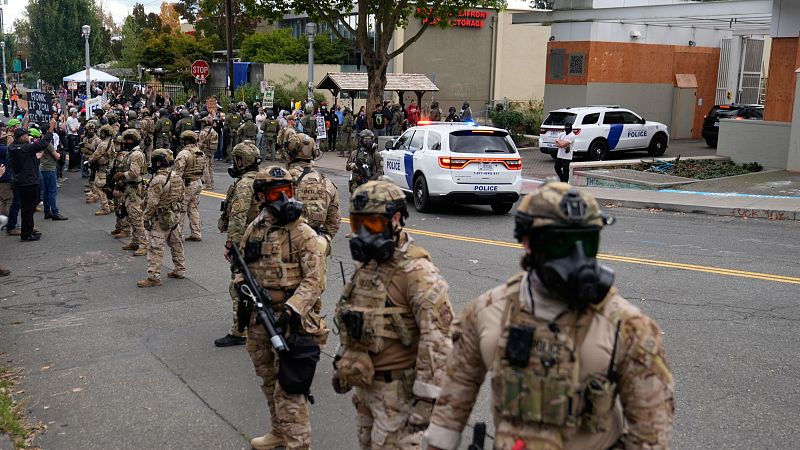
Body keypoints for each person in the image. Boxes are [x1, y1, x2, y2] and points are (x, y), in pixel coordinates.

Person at [424, 183, 675, 450]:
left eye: (588, 242)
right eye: (560, 243)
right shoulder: (486, 312)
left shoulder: (628, 328)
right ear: (528, 243)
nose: (578, 257)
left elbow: (651, 434)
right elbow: (454, 399)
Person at [332, 180, 453, 450]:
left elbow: (439, 343)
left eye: (372, 224)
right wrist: (344, 362)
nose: (363, 233)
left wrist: (426, 405)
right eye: (357, 224)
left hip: (398, 395)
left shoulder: (417, 272)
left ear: (395, 219)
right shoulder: (368, 265)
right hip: (366, 387)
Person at [239, 165, 328, 450]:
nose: (283, 199)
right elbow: (244, 265)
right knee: (269, 381)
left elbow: (315, 281)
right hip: (260, 318)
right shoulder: (256, 228)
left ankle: (298, 445)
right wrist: (241, 282)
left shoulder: (303, 233)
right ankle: (279, 432)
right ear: (262, 197)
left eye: (287, 192)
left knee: (290, 390)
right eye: (275, 193)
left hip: (293, 323)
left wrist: (292, 309)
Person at [215, 141, 262, 348]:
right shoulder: (263, 179)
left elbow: (238, 216)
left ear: (241, 161)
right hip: (262, 239)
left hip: (246, 241)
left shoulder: (244, 185)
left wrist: (231, 244)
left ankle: (239, 330)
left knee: (238, 285)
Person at [138, 148, 185, 287]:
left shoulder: (157, 180)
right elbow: (181, 196)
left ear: (158, 163)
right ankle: (180, 269)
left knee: (156, 247)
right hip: (174, 216)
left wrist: (146, 218)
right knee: (176, 243)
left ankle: (154, 276)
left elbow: (152, 203)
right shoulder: (176, 176)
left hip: (160, 217)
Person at [285, 133, 340, 251]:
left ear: (289, 154)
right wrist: (324, 242)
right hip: (315, 248)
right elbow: (334, 221)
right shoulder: (326, 183)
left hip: (286, 246)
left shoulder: (282, 181)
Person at [8, 127, 53, 241]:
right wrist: (51, 129)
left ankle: (28, 230)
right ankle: (26, 234)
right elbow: (44, 143)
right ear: (22, 137)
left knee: (27, 208)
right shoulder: (26, 148)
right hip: (29, 182)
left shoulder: (12, 147)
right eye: (26, 135)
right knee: (28, 208)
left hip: (20, 181)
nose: (28, 137)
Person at [116, 129, 148, 256]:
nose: (126, 142)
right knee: (131, 215)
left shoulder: (136, 154)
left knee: (137, 217)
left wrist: (121, 174)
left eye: (129, 140)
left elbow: (134, 173)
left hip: (135, 188)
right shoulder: (132, 153)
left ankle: (144, 244)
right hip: (129, 188)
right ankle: (135, 241)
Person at [173, 130, 206, 242]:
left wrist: (175, 186)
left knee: (181, 209)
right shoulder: (200, 153)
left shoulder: (183, 154)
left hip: (187, 184)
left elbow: (178, 172)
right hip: (197, 182)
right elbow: (204, 169)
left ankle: (178, 235)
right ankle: (196, 233)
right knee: (193, 208)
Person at [37, 124, 67, 221]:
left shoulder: (41, 142)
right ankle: (55, 212)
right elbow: (56, 156)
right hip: (50, 168)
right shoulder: (48, 143)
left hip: (43, 168)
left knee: (46, 192)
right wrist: (59, 154)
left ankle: (47, 212)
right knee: (52, 191)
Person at [87, 124, 116, 215]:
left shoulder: (103, 144)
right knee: (107, 187)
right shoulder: (111, 142)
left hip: (102, 168)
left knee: (99, 188)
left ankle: (105, 207)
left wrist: (89, 161)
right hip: (109, 167)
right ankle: (111, 205)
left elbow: (95, 156)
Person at [198, 117, 218, 189]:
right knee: (210, 167)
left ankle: (207, 184)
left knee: (205, 167)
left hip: (205, 151)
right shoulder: (213, 131)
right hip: (211, 151)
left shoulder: (203, 132)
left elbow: (200, 143)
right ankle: (211, 183)